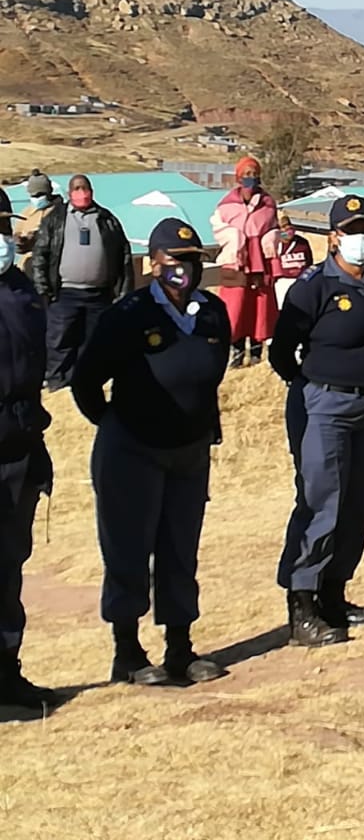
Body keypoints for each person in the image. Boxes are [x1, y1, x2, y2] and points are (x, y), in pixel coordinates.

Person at [72, 217, 232, 686]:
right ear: (154, 264)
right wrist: (116, 425)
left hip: (188, 451)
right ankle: (127, 651)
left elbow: (211, 375)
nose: (186, 269)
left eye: (193, 261)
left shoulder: (212, 313)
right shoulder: (129, 315)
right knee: (128, 549)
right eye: (176, 261)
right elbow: (85, 381)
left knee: (180, 550)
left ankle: (180, 648)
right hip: (132, 450)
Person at [269, 194, 364, 647]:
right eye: (352, 230)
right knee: (322, 501)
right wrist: (311, 388)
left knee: (360, 500)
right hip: (324, 404)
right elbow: (281, 351)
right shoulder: (313, 285)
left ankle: (335, 595)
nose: (362, 238)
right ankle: (302, 604)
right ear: (334, 237)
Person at [0, 191, 59, 709]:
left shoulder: (20, 290)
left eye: (2, 226)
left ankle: (6, 670)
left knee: (9, 562)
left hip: (18, 446)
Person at [29, 174, 133, 392]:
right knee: (59, 339)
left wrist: (123, 292)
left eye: (84, 188)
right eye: (76, 188)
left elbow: (124, 256)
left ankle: (89, 382)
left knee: (95, 340)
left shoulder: (107, 219)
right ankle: (57, 382)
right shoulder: (55, 218)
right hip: (64, 293)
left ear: (92, 191)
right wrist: (43, 288)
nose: (81, 192)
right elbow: (40, 254)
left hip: (100, 294)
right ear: (69, 193)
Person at [211, 156, 280, 368]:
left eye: (254, 174)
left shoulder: (268, 204)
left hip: (260, 263)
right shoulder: (226, 205)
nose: (250, 178)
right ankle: (237, 352)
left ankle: (258, 353)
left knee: (259, 307)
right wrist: (234, 237)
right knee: (235, 307)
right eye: (246, 174)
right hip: (236, 262)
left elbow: (274, 227)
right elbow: (217, 227)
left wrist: (269, 239)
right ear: (238, 176)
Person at [16, 170, 58, 258]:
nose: (36, 199)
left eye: (39, 195)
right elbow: (17, 233)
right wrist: (19, 241)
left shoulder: (60, 211)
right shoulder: (26, 213)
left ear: (49, 192)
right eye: (33, 196)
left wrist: (36, 237)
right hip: (27, 265)